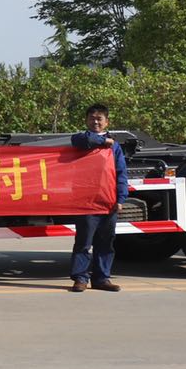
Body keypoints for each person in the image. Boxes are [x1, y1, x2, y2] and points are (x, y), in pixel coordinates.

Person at [68, 103, 129, 293]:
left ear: (106, 122)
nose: (95, 122)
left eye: (99, 119)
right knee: (84, 242)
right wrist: (103, 141)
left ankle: (102, 278)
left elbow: (121, 173)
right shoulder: (81, 140)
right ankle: (80, 278)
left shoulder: (114, 147)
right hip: (86, 201)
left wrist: (121, 199)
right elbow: (80, 139)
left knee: (105, 242)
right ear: (86, 121)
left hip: (107, 201)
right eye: (92, 118)